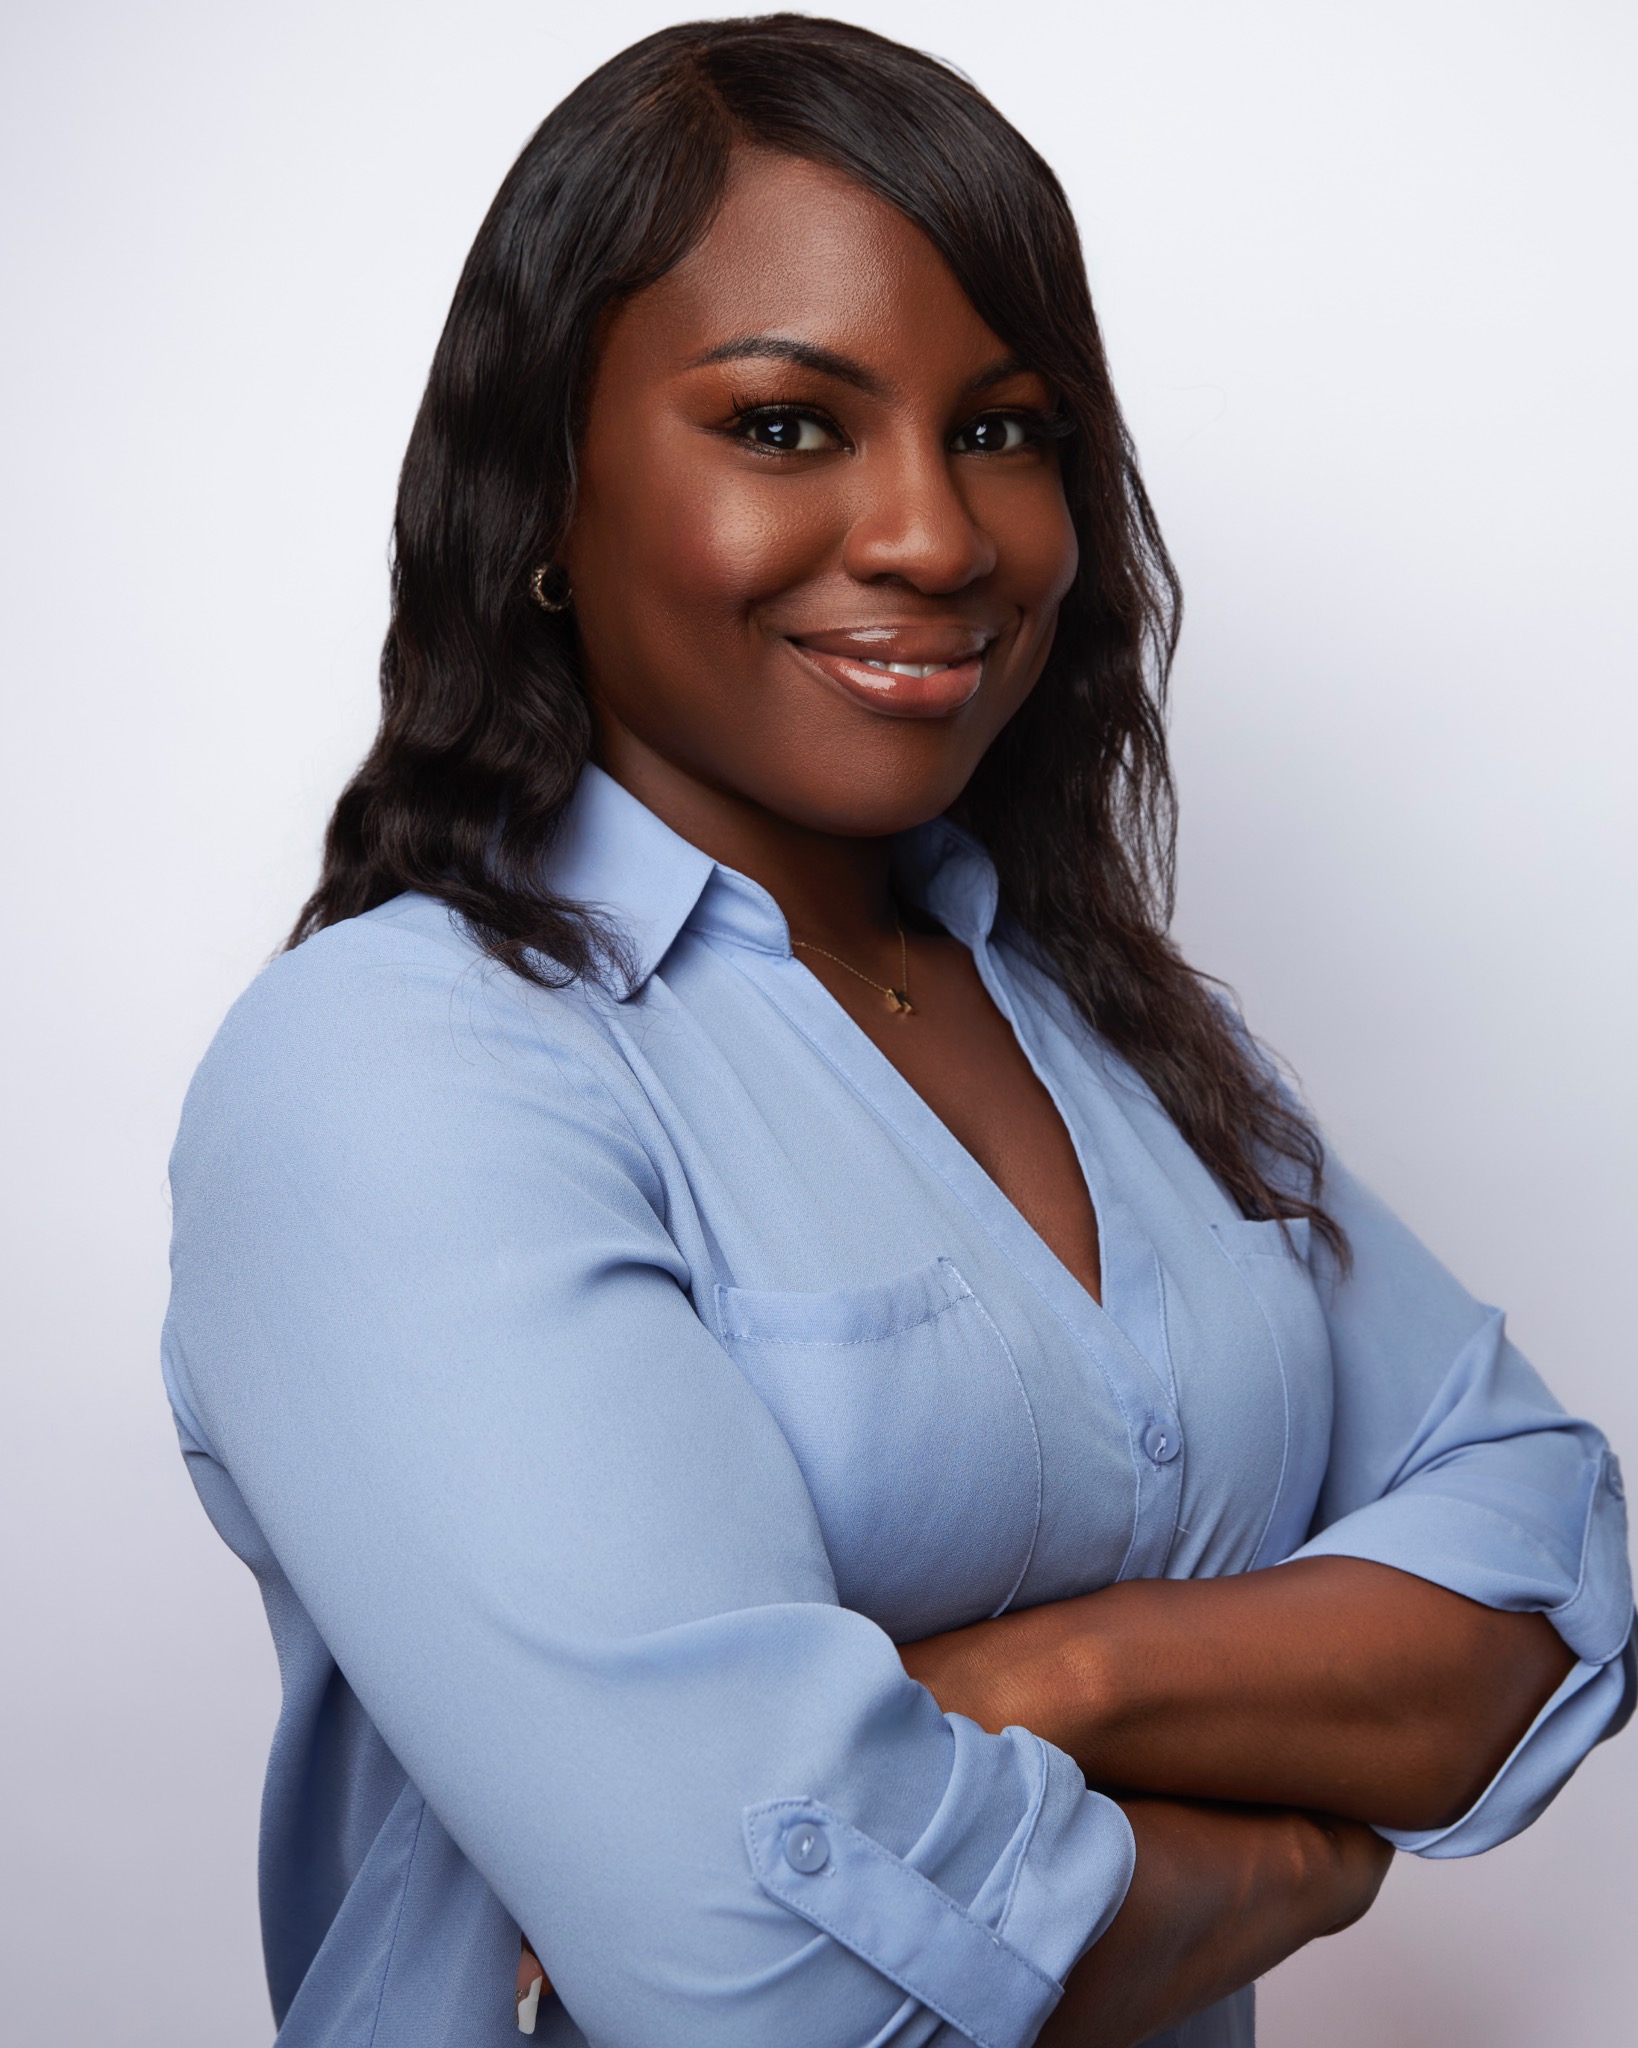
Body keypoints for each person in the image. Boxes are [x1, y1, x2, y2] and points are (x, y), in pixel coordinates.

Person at [162, 16, 1633, 2047]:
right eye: (785, 425)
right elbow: (775, 1980)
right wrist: (1298, 1851)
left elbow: (1547, 1559)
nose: (937, 537)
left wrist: (1036, 1687)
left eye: (1006, 429)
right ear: (541, 491)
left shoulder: (1111, 1022)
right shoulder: (398, 1074)